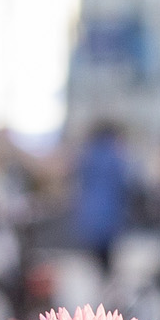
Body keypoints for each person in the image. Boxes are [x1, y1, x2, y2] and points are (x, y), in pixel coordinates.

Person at [69, 120, 135, 288]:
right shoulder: (116, 156)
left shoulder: (87, 154)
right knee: (108, 260)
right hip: (110, 215)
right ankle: (107, 290)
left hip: (89, 215)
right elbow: (127, 182)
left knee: (98, 260)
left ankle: (102, 286)